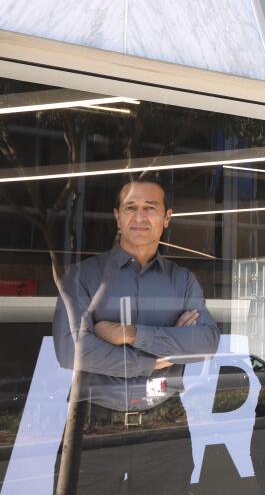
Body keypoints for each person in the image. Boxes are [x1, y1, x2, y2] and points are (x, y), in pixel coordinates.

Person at [52, 174, 220, 493]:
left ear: (166, 218)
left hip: (166, 425)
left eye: (150, 207)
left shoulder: (182, 281)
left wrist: (129, 333)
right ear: (118, 215)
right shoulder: (83, 277)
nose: (140, 216)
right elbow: (70, 350)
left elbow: (206, 342)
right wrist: (155, 358)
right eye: (131, 207)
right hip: (95, 430)